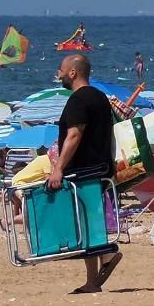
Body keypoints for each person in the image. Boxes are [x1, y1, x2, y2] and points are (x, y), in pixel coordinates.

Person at [48, 54, 122, 293]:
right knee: (86, 222)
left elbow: (74, 135)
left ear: (73, 72)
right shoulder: (100, 98)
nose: (58, 74)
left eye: (61, 70)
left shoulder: (79, 100)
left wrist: (58, 168)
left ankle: (108, 254)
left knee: (86, 222)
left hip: (84, 170)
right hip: (100, 168)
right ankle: (92, 281)